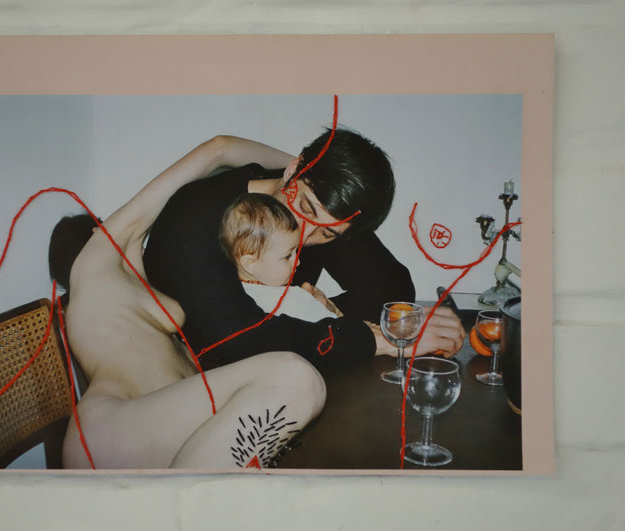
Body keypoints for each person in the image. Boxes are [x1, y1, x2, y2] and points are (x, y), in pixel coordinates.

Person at [51, 136, 326, 469]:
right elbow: (220, 149)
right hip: (113, 428)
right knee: (298, 379)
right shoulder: (93, 264)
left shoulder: (130, 287)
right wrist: (308, 173)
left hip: (158, 429)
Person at [143, 128, 465, 371]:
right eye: (305, 208)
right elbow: (234, 342)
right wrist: (376, 339)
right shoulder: (195, 220)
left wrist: (328, 312)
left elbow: (392, 284)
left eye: (327, 233)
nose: (303, 233)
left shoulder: (320, 207)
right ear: (292, 169)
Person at [219, 192, 339, 323]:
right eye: (287, 256)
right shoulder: (293, 300)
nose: (297, 262)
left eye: (296, 252)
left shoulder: (231, 297)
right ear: (250, 264)